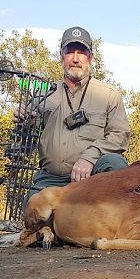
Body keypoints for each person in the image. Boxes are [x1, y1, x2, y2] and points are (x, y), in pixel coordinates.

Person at [12, 26, 130, 207]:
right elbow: (23, 147)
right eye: (70, 52)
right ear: (61, 56)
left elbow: (120, 136)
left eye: (82, 52)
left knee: (115, 163)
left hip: (92, 179)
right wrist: (24, 123)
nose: (75, 59)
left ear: (90, 57)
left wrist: (89, 157)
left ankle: (115, 226)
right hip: (51, 179)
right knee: (32, 210)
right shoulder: (43, 92)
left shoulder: (109, 94)